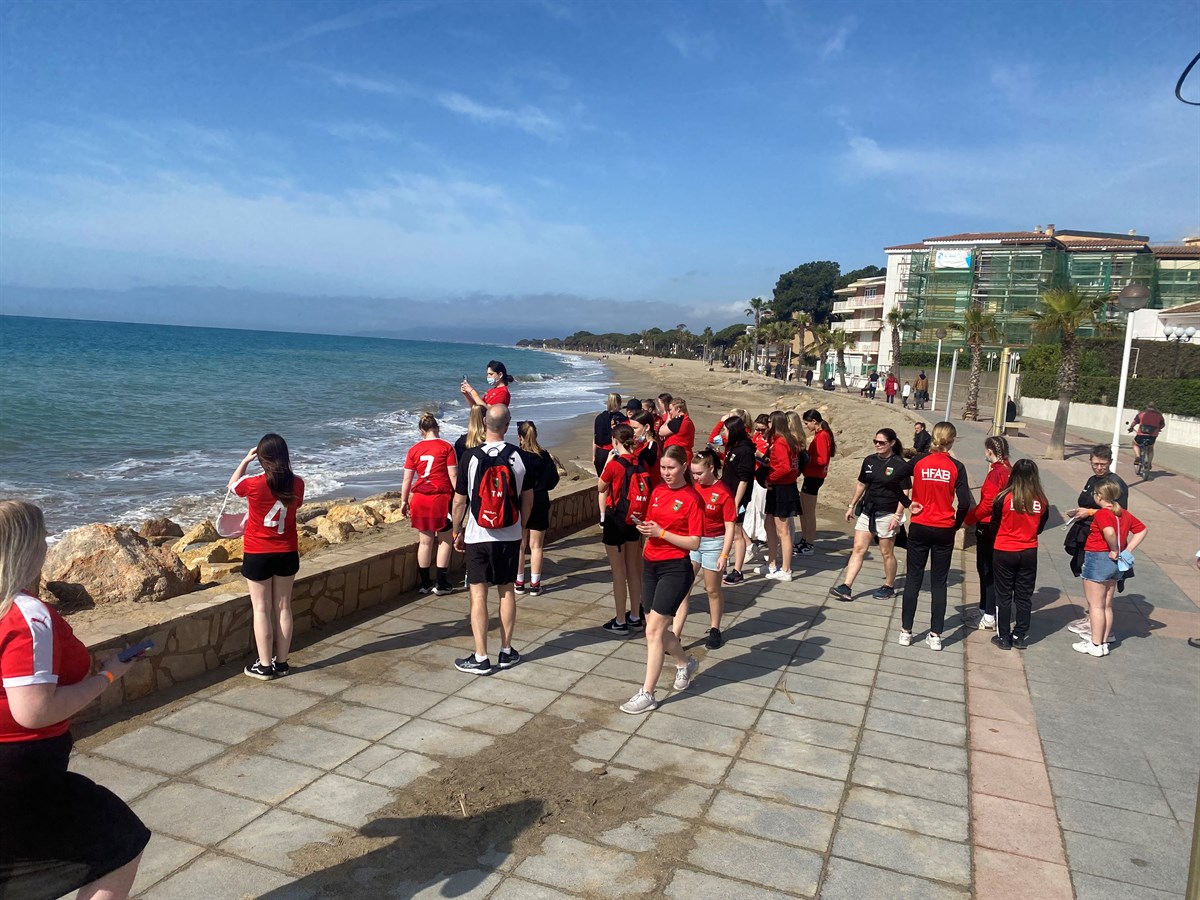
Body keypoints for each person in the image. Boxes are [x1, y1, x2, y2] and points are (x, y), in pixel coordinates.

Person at [0, 500, 150, 898]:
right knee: (120, 841)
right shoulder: (27, 615)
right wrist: (108, 675)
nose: (47, 546)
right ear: (27, 548)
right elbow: (34, 711)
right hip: (22, 776)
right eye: (43, 538)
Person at [450, 405, 533, 675]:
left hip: (478, 536)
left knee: (478, 594)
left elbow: (459, 501)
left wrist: (457, 531)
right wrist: (521, 526)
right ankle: (506, 651)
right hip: (510, 535)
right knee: (507, 592)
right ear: (507, 426)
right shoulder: (520, 457)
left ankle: (481, 656)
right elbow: (528, 499)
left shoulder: (470, 457)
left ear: (484, 423)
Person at [620, 446, 703, 714]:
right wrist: (645, 527)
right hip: (651, 564)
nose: (666, 473)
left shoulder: (692, 498)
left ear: (684, 467)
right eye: (663, 468)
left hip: (676, 568)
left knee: (653, 632)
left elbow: (694, 542)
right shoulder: (657, 491)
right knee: (656, 629)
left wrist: (662, 533)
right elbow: (654, 524)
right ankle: (685, 663)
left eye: (672, 468)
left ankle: (648, 694)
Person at [230, 434, 305, 680]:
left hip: (257, 552)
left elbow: (232, 486)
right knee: (284, 607)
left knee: (261, 609)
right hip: (287, 551)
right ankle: (281, 663)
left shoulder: (253, 483)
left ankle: (264, 666)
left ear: (262, 458)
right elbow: (296, 505)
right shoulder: (297, 484)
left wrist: (245, 460)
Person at [898, 422, 972, 650]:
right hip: (944, 528)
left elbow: (892, 479)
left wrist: (907, 503)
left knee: (913, 578)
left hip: (920, 524)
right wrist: (956, 525)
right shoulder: (956, 466)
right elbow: (965, 502)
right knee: (939, 583)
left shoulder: (919, 461)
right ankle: (936, 635)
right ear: (952, 440)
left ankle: (906, 632)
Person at [830, 428, 909, 602]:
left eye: (882, 442)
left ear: (892, 443)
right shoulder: (869, 460)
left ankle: (889, 586)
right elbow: (861, 484)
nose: (878, 445)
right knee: (858, 548)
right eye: (875, 442)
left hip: (887, 513)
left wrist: (897, 516)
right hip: (868, 511)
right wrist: (851, 506)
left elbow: (905, 492)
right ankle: (846, 586)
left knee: (886, 552)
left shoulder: (900, 464)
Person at [1076, 477, 1147, 657]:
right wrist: (1127, 549)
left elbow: (1109, 531)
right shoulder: (1123, 513)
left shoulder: (1102, 514)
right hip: (1117, 563)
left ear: (1099, 496)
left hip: (1098, 558)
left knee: (1096, 605)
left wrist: (1114, 548)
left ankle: (1095, 644)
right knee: (1107, 604)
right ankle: (1104, 641)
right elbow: (1142, 530)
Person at [1064, 445, 1129, 639]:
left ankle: (1099, 629)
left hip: (1103, 541)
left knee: (1101, 584)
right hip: (1086, 534)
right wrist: (1079, 512)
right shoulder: (1092, 480)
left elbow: (1119, 512)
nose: (1099, 468)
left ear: (1110, 462)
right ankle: (1092, 617)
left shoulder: (1116, 484)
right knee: (1088, 577)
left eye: (1103, 464)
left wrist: (1090, 512)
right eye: (1095, 464)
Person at [674, 449, 735, 649]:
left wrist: (724, 554)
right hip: (693, 540)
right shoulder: (693, 486)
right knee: (683, 587)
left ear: (711, 468)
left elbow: (730, 527)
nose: (695, 477)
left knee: (712, 589)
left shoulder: (723, 492)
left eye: (699, 473)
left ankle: (715, 629)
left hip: (714, 543)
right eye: (693, 473)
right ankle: (675, 635)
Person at [990, 459, 1050, 650]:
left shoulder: (1003, 498)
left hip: (1004, 549)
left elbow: (994, 524)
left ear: (1013, 474)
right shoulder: (1041, 501)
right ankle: (1020, 635)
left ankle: (1004, 637)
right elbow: (1040, 527)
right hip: (1028, 550)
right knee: (1024, 595)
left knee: (1003, 595)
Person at [597, 424, 648, 636]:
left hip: (616, 520)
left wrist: (608, 462)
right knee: (633, 570)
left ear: (615, 441)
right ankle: (635, 616)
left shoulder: (615, 465)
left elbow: (601, 487)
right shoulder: (640, 462)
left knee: (619, 573)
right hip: (634, 520)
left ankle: (620, 620)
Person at [401, 414, 458, 597]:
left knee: (425, 542)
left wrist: (403, 501)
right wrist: (460, 497)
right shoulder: (446, 447)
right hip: (440, 498)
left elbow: (407, 479)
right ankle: (441, 584)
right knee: (445, 540)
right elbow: (453, 476)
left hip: (419, 498)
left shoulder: (414, 450)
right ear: (437, 428)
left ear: (421, 431)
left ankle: (425, 583)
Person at [964, 435, 1012, 631]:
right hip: (1004, 526)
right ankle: (986, 610)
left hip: (989, 526)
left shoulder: (996, 474)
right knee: (991, 571)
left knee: (987, 570)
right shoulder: (1010, 471)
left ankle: (989, 614)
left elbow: (987, 504)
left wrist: (968, 519)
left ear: (990, 451)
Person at [516, 420, 559, 597]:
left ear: (519, 436)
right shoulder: (544, 456)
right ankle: (535, 583)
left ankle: (519, 582)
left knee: (520, 544)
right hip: (540, 500)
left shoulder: (517, 456)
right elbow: (553, 481)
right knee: (536, 545)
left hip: (520, 502)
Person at [759, 411, 802, 580]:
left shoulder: (781, 442)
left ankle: (786, 569)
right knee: (769, 525)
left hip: (783, 489)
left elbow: (785, 467)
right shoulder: (785, 440)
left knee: (783, 530)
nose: (767, 425)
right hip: (780, 487)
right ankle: (772, 564)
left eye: (769, 422)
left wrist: (770, 478)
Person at [719, 415, 756, 585]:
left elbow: (744, 479)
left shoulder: (745, 450)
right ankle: (724, 565)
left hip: (737, 498)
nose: (723, 432)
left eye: (725, 430)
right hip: (727, 494)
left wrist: (736, 503)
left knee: (737, 532)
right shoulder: (733, 447)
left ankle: (738, 571)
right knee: (727, 531)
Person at [797, 409, 836, 555]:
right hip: (812, 475)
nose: (806, 426)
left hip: (815, 476)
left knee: (808, 511)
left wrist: (807, 458)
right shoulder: (820, 434)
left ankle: (809, 543)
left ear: (814, 421)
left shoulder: (822, 436)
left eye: (807, 423)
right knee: (804, 510)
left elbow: (822, 459)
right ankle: (805, 540)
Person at [592, 393, 628, 477]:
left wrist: (594, 456)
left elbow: (595, 438)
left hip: (600, 452)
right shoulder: (622, 419)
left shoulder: (599, 418)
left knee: (602, 478)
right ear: (619, 403)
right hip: (613, 452)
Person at [1128, 403, 1166, 471]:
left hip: (1141, 435)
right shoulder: (1159, 415)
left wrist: (1131, 428)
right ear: (1155, 407)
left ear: (1147, 407)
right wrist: (1158, 428)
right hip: (1152, 436)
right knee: (1150, 448)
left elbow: (1134, 422)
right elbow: (1162, 425)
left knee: (1135, 444)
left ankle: (1138, 456)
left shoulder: (1142, 414)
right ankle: (1149, 463)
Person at [658, 397, 696, 463]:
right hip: (682, 455)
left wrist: (668, 420)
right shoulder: (687, 420)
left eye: (670, 410)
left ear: (678, 409)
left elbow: (661, 432)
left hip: (677, 456)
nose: (669, 412)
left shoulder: (679, 420)